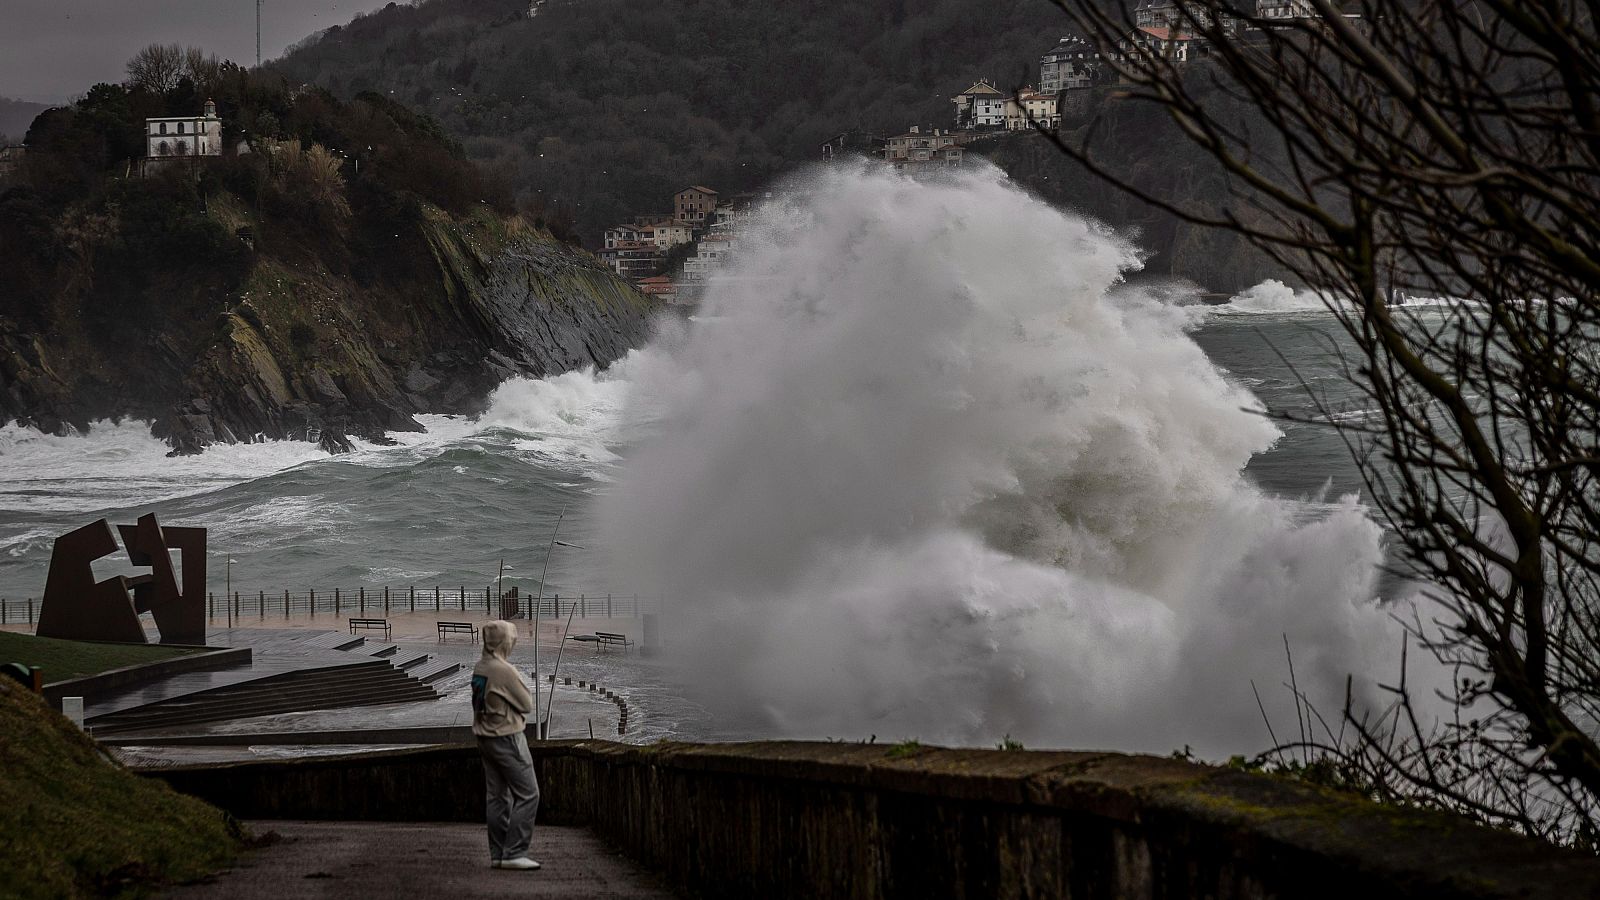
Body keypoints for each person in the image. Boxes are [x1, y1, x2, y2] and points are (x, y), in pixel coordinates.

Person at [471, 619, 541, 871]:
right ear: (504, 642)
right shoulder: (504, 671)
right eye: (511, 640)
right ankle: (515, 851)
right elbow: (526, 704)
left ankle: (498, 853)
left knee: (497, 797)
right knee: (529, 794)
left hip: (485, 737)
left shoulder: (481, 667)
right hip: (507, 736)